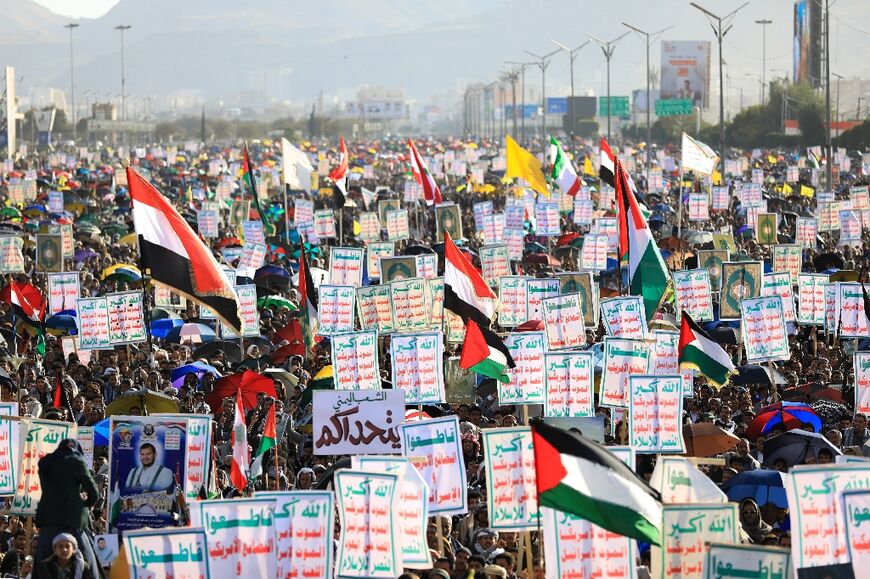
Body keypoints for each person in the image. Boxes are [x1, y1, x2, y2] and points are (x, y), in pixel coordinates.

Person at [34, 440, 100, 575]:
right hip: (73, 520)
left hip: (48, 519)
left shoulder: (46, 462)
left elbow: (47, 489)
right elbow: (93, 493)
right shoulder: (77, 462)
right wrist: (85, 504)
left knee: (41, 560)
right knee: (89, 559)